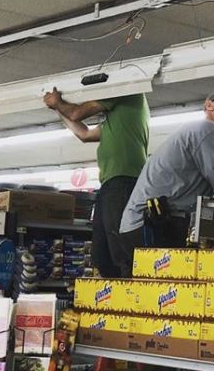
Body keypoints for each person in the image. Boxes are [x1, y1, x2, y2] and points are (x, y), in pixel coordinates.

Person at [119, 88, 214, 258]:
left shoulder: (197, 133)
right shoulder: (206, 129)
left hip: (145, 225)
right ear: (209, 105)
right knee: (159, 283)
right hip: (148, 225)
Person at [43, 89, 149, 278]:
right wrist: (57, 110)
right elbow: (84, 134)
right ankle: (111, 295)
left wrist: (58, 102)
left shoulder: (127, 91)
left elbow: (77, 113)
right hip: (110, 185)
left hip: (124, 182)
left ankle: (128, 297)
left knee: (121, 252)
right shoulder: (116, 121)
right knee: (101, 255)